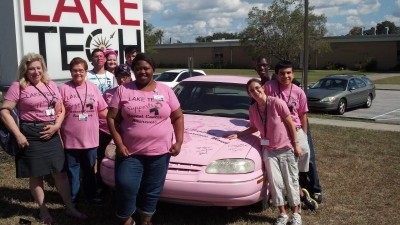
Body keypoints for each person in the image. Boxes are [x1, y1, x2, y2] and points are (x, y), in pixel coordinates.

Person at [0, 53, 87, 224]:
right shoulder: (18, 86)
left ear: (43, 69)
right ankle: (43, 210)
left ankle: (69, 207)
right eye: (31, 68)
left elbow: (61, 110)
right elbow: (4, 111)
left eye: (38, 68)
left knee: (60, 173)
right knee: (36, 175)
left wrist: (56, 126)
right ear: (25, 69)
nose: (35, 71)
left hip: (51, 132)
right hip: (30, 134)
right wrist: (18, 134)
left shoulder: (51, 85)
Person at [107, 53, 184, 225]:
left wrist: (178, 142)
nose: (142, 71)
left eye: (146, 68)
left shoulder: (166, 90)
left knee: (152, 190)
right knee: (126, 186)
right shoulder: (123, 90)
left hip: (160, 153)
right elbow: (111, 118)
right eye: (138, 68)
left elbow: (178, 117)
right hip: (130, 153)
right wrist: (119, 144)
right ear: (133, 70)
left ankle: (145, 220)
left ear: (153, 70)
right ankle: (127, 219)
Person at [225, 78, 302, 225]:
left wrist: (296, 144)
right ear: (249, 94)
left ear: (263, 88)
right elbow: (254, 127)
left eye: (257, 88)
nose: (255, 92)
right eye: (251, 91)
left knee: (291, 181)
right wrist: (239, 134)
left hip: (285, 148)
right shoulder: (253, 109)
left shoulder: (277, 103)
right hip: (269, 151)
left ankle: (296, 214)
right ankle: (283, 214)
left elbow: (290, 124)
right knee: (275, 182)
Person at [255, 57, 322, 204]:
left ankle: (307, 187)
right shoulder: (269, 86)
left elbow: (303, 117)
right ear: (276, 74)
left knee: (305, 153)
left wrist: (302, 134)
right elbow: (257, 96)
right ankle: (293, 189)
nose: (286, 76)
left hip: (295, 128)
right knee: (278, 161)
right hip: (276, 131)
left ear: (293, 73)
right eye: (282, 73)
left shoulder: (299, 92)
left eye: (289, 73)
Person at [59, 57, 108, 206]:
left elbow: (103, 110)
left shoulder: (93, 87)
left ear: (86, 72)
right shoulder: (63, 88)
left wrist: (118, 121)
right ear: (70, 72)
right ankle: (73, 199)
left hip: (91, 138)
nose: (78, 73)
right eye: (75, 70)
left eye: (81, 70)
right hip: (70, 139)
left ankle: (90, 196)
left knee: (89, 170)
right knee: (72, 171)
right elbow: (58, 113)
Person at [96, 64, 133, 196]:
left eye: (125, 76)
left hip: (125, 133)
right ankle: (102, 184)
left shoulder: (134, 92)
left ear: (129, 76)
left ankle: (124, 185)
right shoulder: (109, 93)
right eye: (119, 76)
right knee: (102, 157)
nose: (122, 79)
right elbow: (103, 112)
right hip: (106, 131)